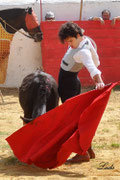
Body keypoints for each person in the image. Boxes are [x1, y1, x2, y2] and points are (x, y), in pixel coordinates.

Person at [58, 21, 105, 163]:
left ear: (78, 35)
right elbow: (96, 61)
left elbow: (92, 66)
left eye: (71, 41)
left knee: (73, 120)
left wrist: (98, 80)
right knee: (77, 118)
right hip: (73, 83)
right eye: (67, 42)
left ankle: (83, 152)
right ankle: (87, 149)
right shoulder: (86, 41)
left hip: (68, 86)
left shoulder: (82, 51)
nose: (70, 44)